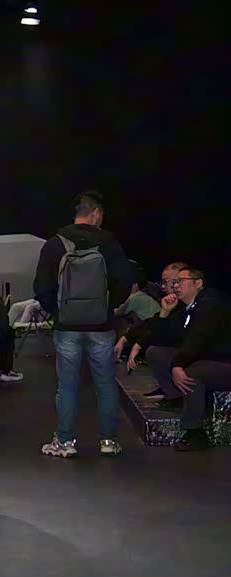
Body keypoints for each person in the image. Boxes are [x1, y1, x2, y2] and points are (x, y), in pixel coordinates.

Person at [33, 190, 133, 457]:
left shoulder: (54, 244)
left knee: (67, 385)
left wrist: (58, 311)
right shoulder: (109, 242)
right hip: (101, 326)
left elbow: (41, 286)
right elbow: (125, 280)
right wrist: (108, 307)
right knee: (105, 384)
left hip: (67, 327)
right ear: (96, 213)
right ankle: (108, 441)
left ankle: (65, 442)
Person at [146, 267, 231, 452]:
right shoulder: (186, 309)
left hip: (224, 362)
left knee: (193, 373)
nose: (176, 286)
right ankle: (177, 399)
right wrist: (164, 313)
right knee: (156, 353)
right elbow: (164, 339)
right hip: (205, 357)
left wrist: (178, 365)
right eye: (174, 282)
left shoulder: (211, 304)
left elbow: (199, 339)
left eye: (181, 281)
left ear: (198, 283)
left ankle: (195, 431)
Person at [116, 262, 189, 388]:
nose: (163, 286)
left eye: (166, 282)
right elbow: (151, 323)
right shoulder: (174, 303)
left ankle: (174, 391)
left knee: (156, 350)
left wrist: (139, 345)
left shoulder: (200, 304)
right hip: (184, 349)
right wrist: (127, 339)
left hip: (198, 354)